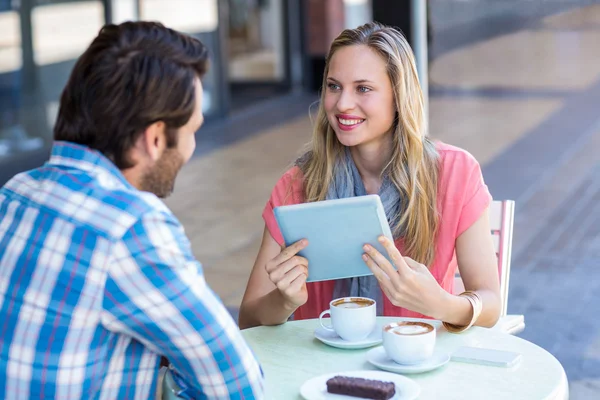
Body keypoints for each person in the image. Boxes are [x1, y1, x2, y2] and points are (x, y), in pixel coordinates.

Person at [0, 21, 264, 399]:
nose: (190, 149)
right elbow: (237, 386)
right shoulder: (128, 226)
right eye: (192, 131)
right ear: (155, 139)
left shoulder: (16, 193)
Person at [239, 22, 501, 332]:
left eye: (363, 88)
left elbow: (491, 304)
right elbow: (248, 318)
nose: (342, 103)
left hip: (414, 360)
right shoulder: (299, 183)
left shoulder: (456, 173)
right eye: (334, 86)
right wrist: (284, 301)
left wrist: (440, 303)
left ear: (398, 97)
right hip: (319, 366)